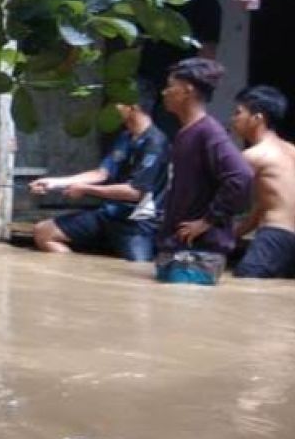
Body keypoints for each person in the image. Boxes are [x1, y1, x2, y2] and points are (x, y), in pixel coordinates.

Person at [30, 84, 169, 261]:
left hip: (138, 224)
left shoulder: (155, 144)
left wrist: (86, 189)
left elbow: (135, 192)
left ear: (132, 106)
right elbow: (101, 173)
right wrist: (54, 182)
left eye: (117, 103)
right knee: (43, 232)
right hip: (109, 214)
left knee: (139, 273)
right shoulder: (126, 137)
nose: (113, 109)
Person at [155, 58, 253, 282]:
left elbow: (241, 176)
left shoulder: (209, 132)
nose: (164, 92)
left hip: (196, 256)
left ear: (187, 91)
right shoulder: (186, 133)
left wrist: (207, 221)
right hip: (177, 251)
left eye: (170, 86)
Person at [139, 0, 222, 137]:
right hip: (146, 79)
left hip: (181, 84)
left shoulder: (205, 4)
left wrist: (199, 90)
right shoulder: (153, 0)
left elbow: (207, 51)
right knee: (138, 138)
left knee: (170, 138)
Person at [230, 85, 295, 278]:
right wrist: (237, 233)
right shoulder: (292, 150)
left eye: (238, 113)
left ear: (257, 118)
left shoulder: (253, 156)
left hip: (275, 235)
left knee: (245, 284)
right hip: (285, 235)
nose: (234, 119)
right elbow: (264, 205)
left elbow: (223, 197)